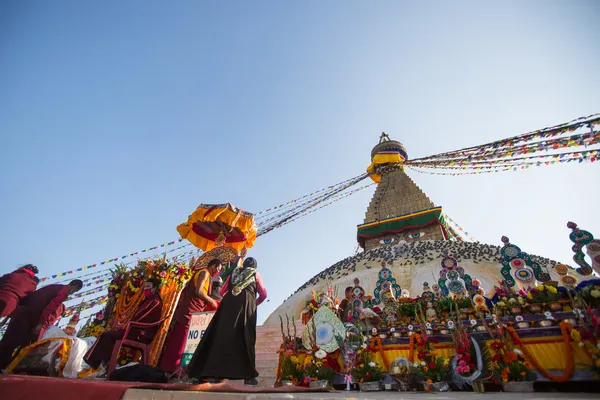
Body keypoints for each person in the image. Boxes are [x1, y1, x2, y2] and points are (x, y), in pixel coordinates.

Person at [186, 257, 267, 386]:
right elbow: (264, 294)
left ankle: (212, 374)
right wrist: (254, 304)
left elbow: (223, 291)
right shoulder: (255, 273)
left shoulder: (234, 272)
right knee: (245, 337)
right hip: (246, 304)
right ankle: (248, 376)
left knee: (220, 337)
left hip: (228, 304)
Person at [0, 279, 83, 370]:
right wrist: (41, 324)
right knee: (26, 346)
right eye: (75, 290)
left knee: (10, 341)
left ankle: (5, 365)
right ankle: (11, 367)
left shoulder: (54, 287)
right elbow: (51, 307)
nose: (73, 292)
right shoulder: (64, 290)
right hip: (32, 317)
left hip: (22, 312)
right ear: (75, 286)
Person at [84, 279, 163, 371]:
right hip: (136, 330)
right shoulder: (148, 299)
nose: (145, 289)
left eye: (148, 287)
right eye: (144, 287)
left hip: (141, 334)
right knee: (108, 335)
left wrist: (129, 325)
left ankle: (98, 364)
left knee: (107, 335)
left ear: (155, 288)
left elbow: (141, 318)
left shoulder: (155, 301)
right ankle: (105, 365)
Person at [159, 258, 222, 374]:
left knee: (182, 338)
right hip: (189, 309)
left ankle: (171, 368)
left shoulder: (206, 275)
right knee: (181, 338)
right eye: (218, 269)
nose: (217, 272)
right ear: (213, 266)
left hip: (192, 308)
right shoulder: (204, 273)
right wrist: (211, 301)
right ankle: (173, 369)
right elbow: (198, 291)